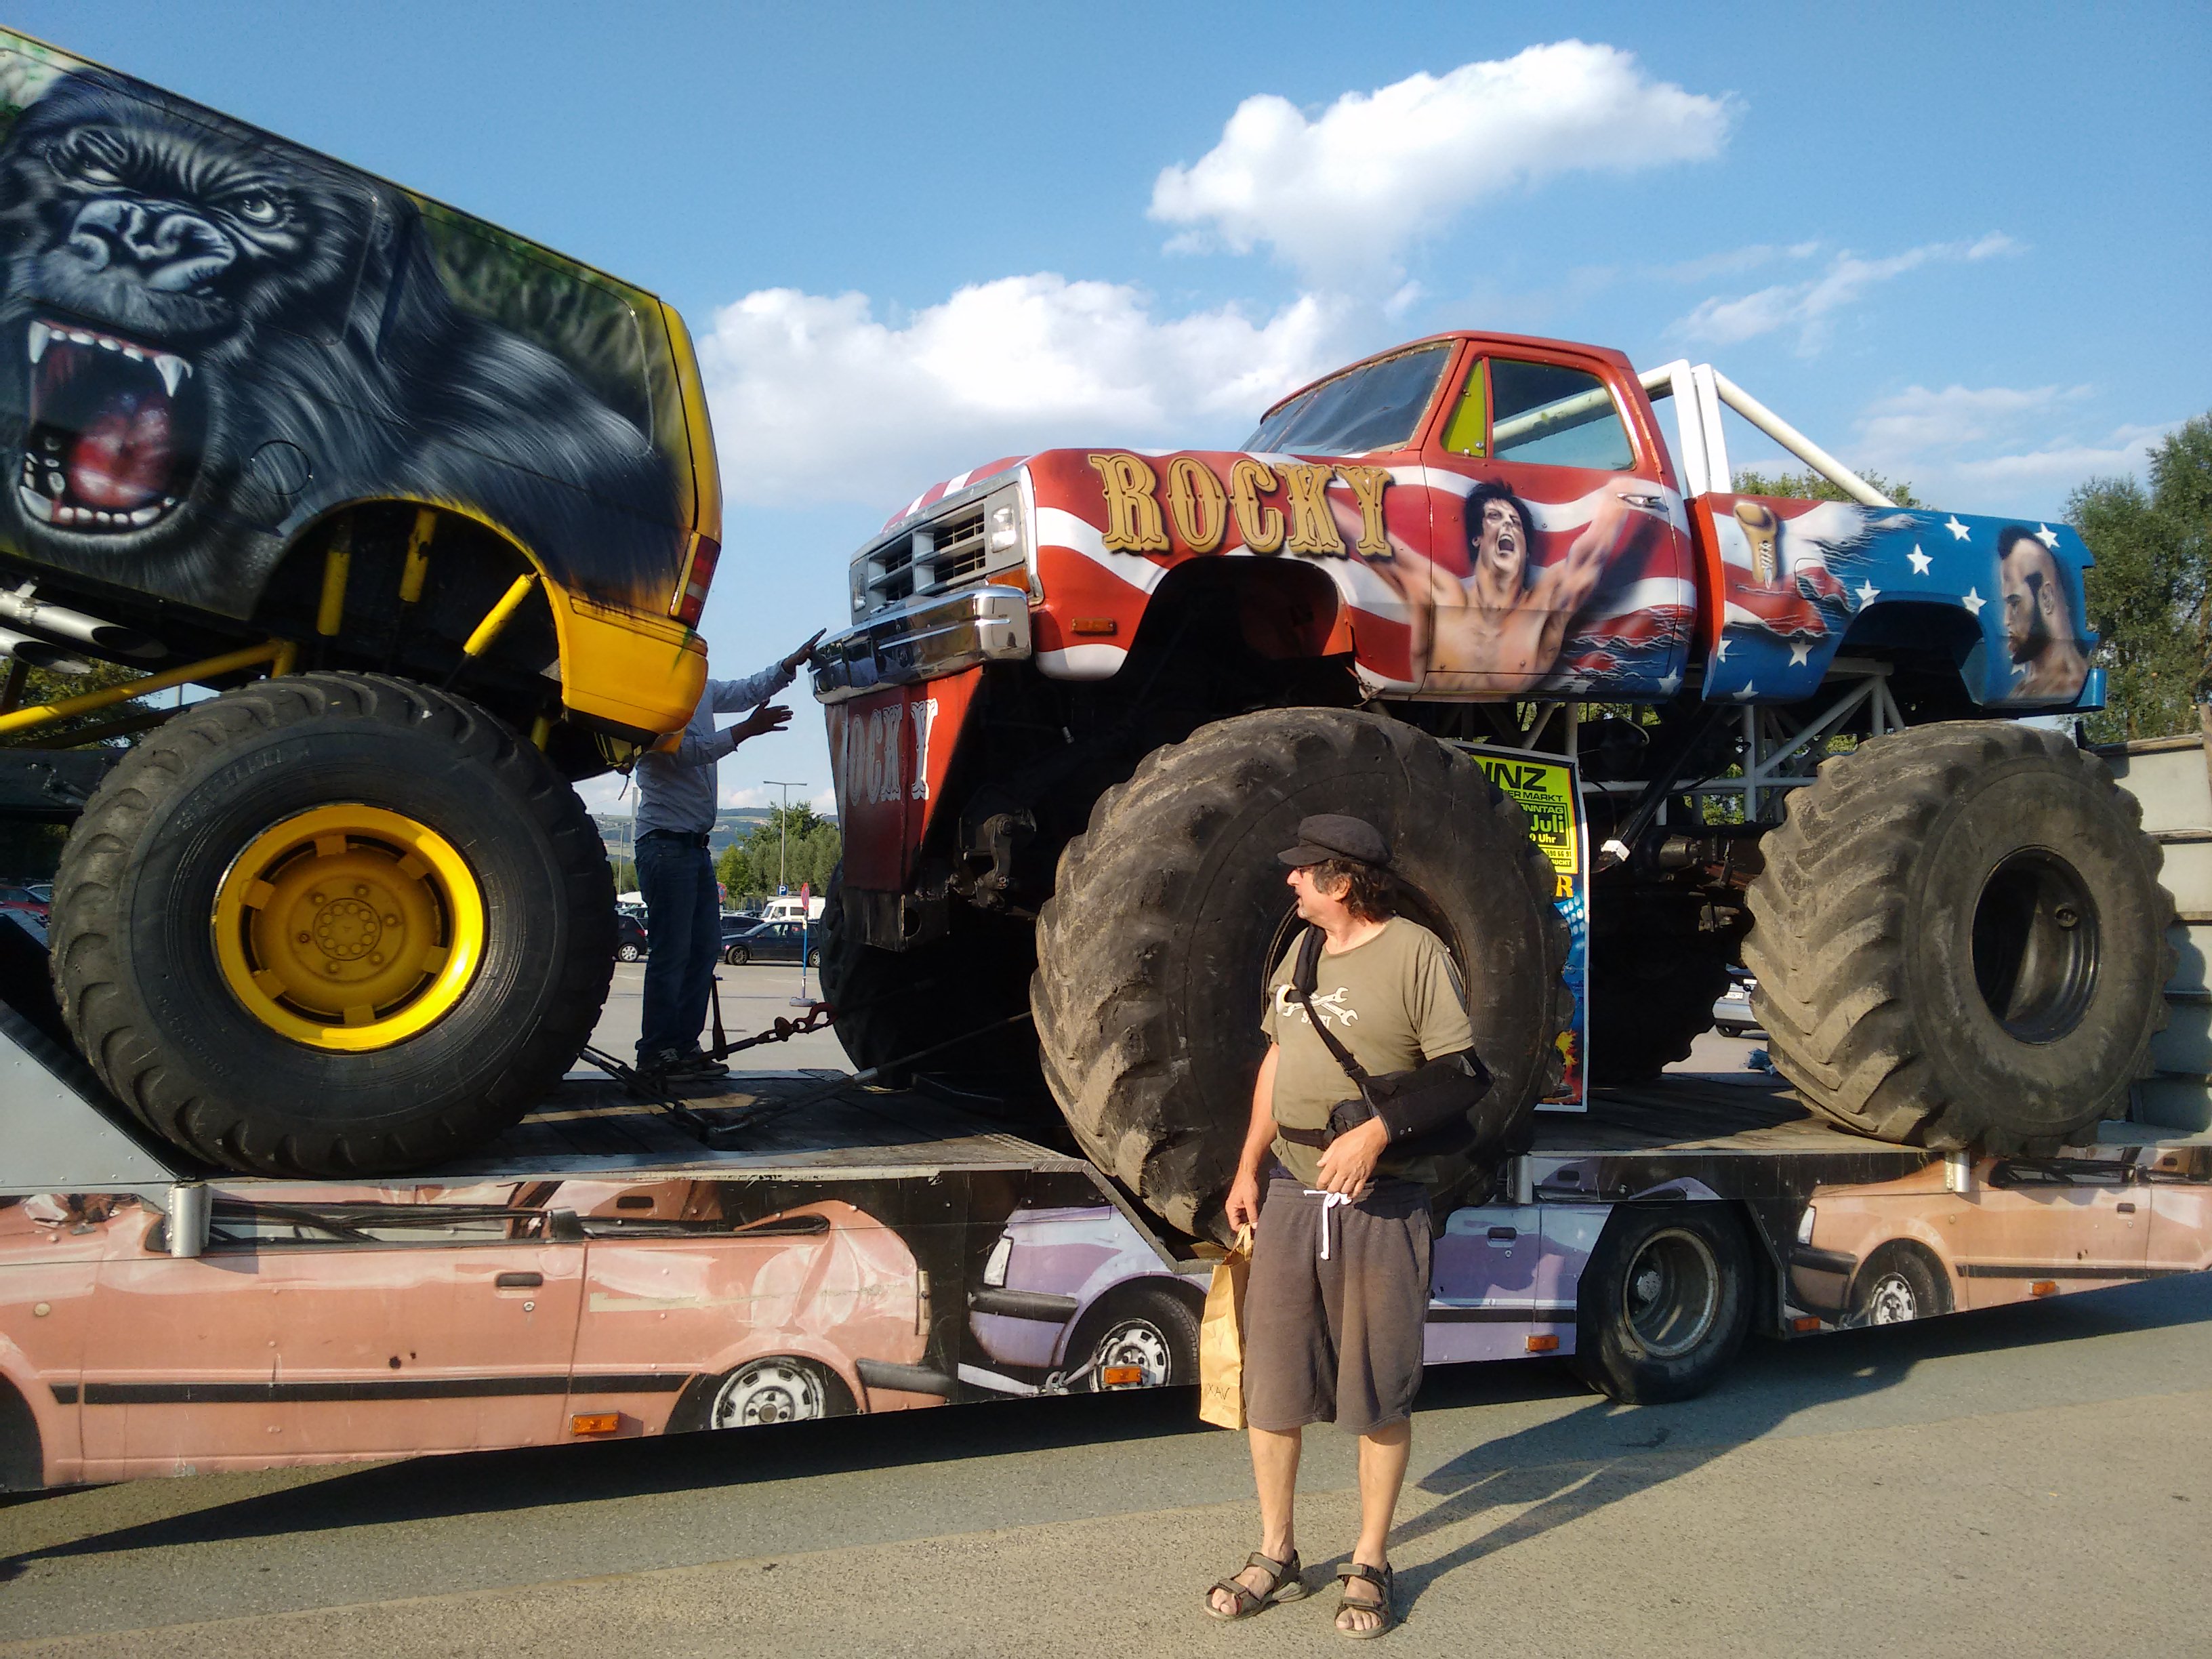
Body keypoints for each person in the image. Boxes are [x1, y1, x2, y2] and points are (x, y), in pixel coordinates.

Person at [1205, 814, 1474, 1639]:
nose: (1289, 880)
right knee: (1274, 1385)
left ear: (1344, 880)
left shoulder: (1417, 953)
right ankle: (1276, 1550)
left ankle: (1369, 1561)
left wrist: (1378, 1132)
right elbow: (1278, 1059)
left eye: (1303, 870)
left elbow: (1462, 1075)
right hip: (1292, 1192)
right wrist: (1248, 1167)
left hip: (1382, 1202)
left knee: (1377, 1387)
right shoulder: (1302, 949)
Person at [632, 630, 822, 1084]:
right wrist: (747, 730)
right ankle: (658, 1050)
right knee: (673, 953)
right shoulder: (648, 704)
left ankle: (681, 1046)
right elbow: (687, 753)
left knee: (700, 951)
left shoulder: (700, 693)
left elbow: (747, 690)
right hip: (666, 845)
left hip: (689, 848)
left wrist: (788, 666)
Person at [1364, 478, 1662, 692]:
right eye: (1494, 517)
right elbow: (1370, 541)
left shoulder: (1547, 604)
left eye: (1515, 522)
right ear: (1477, 538)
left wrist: (1618, 493)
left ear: (1527, 550)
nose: (1507, 524)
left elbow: (1593, 551)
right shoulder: (1441, 594)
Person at [1997, 525, 2089, 701]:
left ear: (2046, 598)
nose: (2006, 620)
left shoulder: (2071, 686)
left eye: (2015, 603)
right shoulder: (2022, 691)